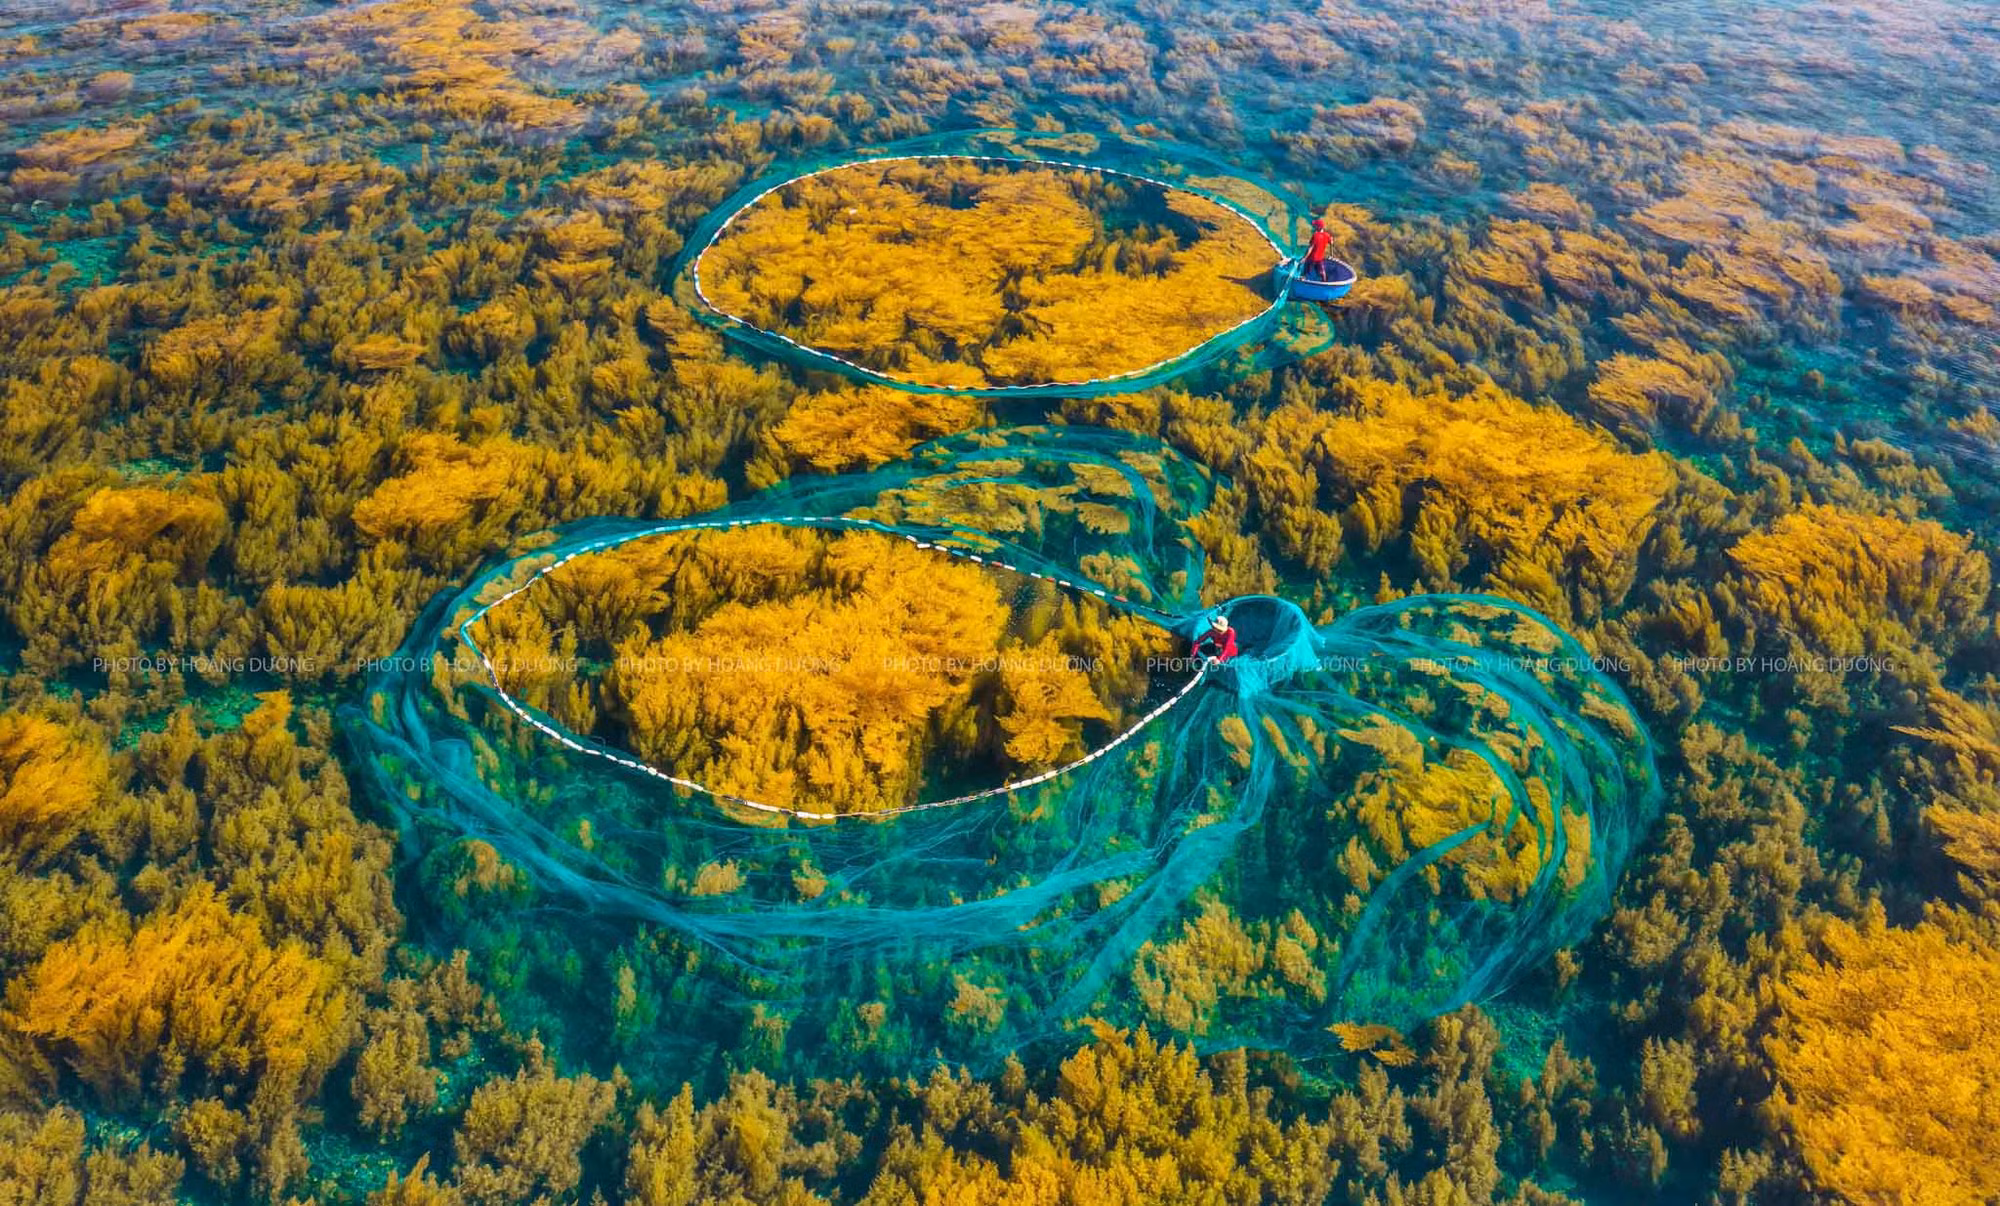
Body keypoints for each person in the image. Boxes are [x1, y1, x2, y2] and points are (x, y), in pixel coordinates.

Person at [1303, 217, 1334, 282]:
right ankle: (1325, 282)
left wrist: (1304, 258)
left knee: (1306, 272)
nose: (1314, 227)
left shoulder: (1315, 235)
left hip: (1311, 258)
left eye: (1315, 226)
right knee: (1322, 272)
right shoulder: (1327, 235)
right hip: (1320, 258)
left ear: (1319, 227)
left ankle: (1303, 282)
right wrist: (1331, 255)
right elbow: (1331, 243)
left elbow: (1310, 248)